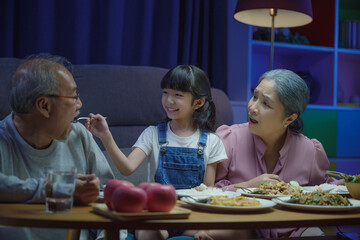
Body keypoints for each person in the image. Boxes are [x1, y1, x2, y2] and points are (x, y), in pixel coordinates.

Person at [86, 65, 227, 240]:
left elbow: (207, 190)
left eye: (178, 95)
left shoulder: (212, 141)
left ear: (198, 103)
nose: (169, 100)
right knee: (148, 232)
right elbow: (127, 168)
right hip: (157, 217)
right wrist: (106, 137)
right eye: (165, 92)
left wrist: (203, 229)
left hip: (191, 218)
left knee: (239, 231)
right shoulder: (152, 134)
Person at [203, 69, 342, 239]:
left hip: (294, 229)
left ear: (289, 119)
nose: (252, 107)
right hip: (242, 227)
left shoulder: (310, 150)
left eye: (265, 104)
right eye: (254, 96)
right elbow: (206, 193)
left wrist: (343, 186)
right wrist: (248, 186)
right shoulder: (228, 140)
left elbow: (320, 189)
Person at [0, 53, 114, 240]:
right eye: (74, 96)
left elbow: (111, 194)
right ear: (44, 105)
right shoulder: (3, 139)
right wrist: (55, 188)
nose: (80, 104)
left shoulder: (80, 135)